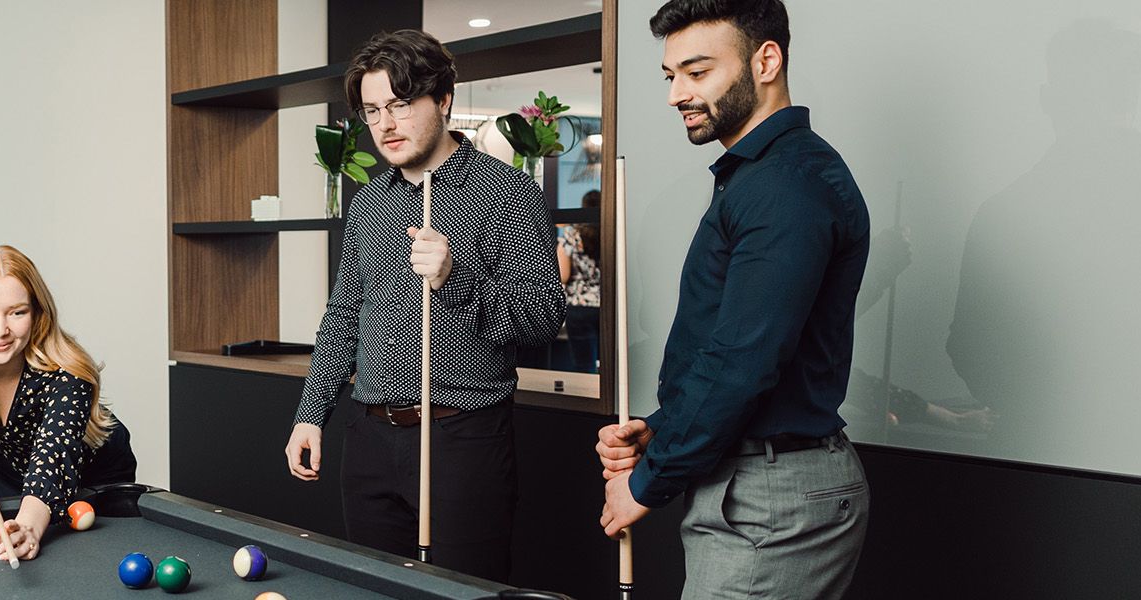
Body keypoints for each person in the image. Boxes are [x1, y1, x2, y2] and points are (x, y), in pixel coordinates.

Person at [595, 1, 872, 597]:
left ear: (765, 60)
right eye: (671, 77)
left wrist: (647, 483)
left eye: (697, 73)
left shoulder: (785, 185)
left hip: (771, 497)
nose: (676, 95)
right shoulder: (760, 176)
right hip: (757, 482)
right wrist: (661, 431)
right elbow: (737, 348)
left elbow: (743, 362)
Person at [280, 29, 567, 582]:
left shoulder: (508, 192)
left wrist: (455, 278)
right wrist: (310, 415)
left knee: (463, 593)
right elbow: (344, 317)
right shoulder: (368, 200)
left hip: (462, 439)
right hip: (367, 441)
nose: (385, 125)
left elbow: (542, 318)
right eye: (372, 111)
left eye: (400, 104)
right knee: (375, 591)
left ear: (444, 99)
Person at [0, 245, 137, 563]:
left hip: (97, 475)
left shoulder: (68, 375)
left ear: (37, 314)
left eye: (17, 312)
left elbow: (50, 466)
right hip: (9, 469)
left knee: (85, 563)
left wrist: (30, 526)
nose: (1, 329)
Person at [556, 190, 604, 373]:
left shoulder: (572, 236)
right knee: (609, 364)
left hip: (579, 306)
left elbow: (563, 275)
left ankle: (589, 399)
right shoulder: (611, 233)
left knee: (584, 364)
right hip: (606, 305)